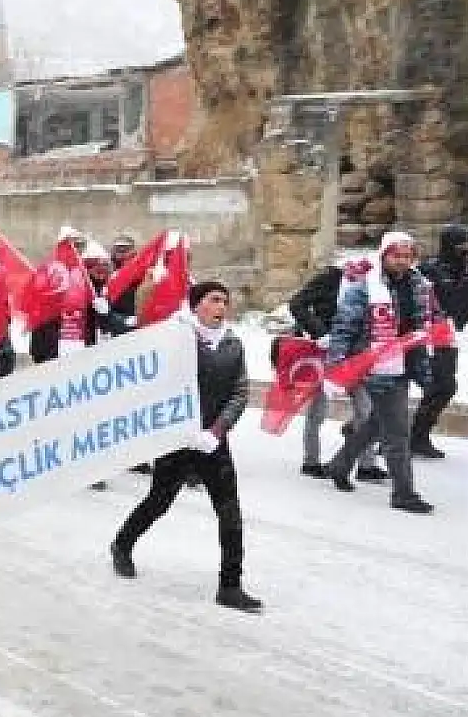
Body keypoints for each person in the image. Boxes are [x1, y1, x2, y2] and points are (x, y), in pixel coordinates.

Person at [110, 282, 260, 613]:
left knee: (230, 512)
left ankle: (230, 585)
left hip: (212, 442)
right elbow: (157, 387)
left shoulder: (233, 345)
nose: (221, 306)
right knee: (159, 501)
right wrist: (178, 429)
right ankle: (122, 545)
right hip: (176, 441)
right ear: (196, 306)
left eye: (225, 300)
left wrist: (217, 430)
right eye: (214, 300)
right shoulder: (176, 339)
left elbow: (240, 391)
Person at [324, 231, 435, 513]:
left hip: (405, 361)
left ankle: (340, 465)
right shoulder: (364, 288)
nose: (402, 261)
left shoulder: (419, 285)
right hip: (377, 365)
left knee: (377, 423)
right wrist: (336, 362)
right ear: (384, 255)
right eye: (396, 255)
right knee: (398, 430)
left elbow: (424, 322)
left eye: (407, 256)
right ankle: (403, 492)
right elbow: (344, 326)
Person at [285, 259, 378, 479]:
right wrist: (320, 333)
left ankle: (366, 466)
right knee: (318, 409)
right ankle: (311, 461)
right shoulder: (331, 279)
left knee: (366, 409)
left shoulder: (376, 285)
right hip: (324, 351)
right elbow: (297, 303)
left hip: (356, 354)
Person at [413, 221, 467, 458]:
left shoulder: (460, 270)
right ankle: (406, 437)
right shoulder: (431, 270)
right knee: (439, 385)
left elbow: (463, 309)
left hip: (445, 336)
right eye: (462, 245)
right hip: (426, 336)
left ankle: (417, 436)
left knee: (443, 386)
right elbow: (450, 301)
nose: (466, 250)